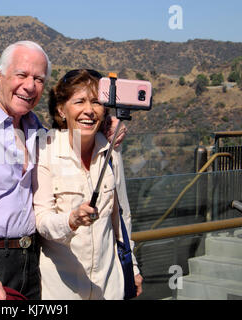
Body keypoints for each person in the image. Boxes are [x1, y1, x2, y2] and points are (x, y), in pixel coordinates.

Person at [0, 41, 127, 300]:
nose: (30, 86)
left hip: (29, 262)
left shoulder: (35, 129)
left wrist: (108, 125)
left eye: (38, 79)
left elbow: (75, 136)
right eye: (21, 75)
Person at [32, 69, 143, 300]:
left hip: (109, 287)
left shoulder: (111, 153)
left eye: (96, 102)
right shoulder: (45, 150)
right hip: (62, 290)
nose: (89, 110)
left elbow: (122, 217)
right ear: (61, 109)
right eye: (79, 101)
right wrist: (71, 220)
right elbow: (42, 220)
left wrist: (132, 268)